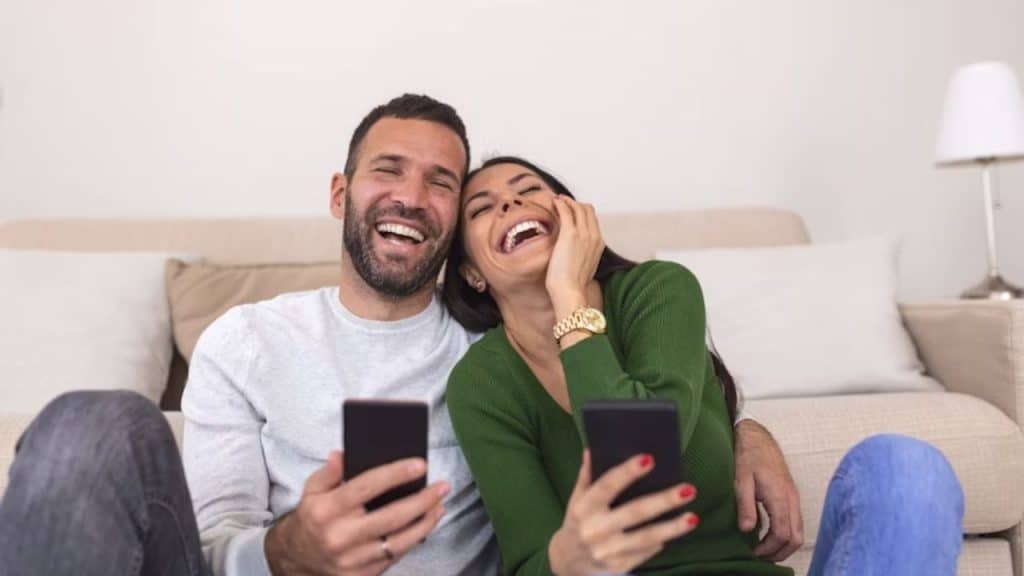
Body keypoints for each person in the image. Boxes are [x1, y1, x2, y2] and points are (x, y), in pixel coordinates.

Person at [0, 95, 803, 576]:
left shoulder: (498, 355)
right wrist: (290, 552)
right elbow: (202, 547)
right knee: (89, 422)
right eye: (388, 170)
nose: (412, 196)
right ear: (342, 192)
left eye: (444, 183)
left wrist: (744, 427)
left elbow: (642, 409)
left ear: (458, 231)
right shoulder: (248, 338)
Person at [442, 156, 966, 576]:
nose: (510, 201)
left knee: (907, 469)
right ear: (472, 273)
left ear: (577, 218)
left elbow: (646, 445)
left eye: (528, 188)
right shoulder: (481, 383)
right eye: (482, 208)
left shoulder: (659, 290)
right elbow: (543, 551)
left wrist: (568, 297)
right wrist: (571, 560)